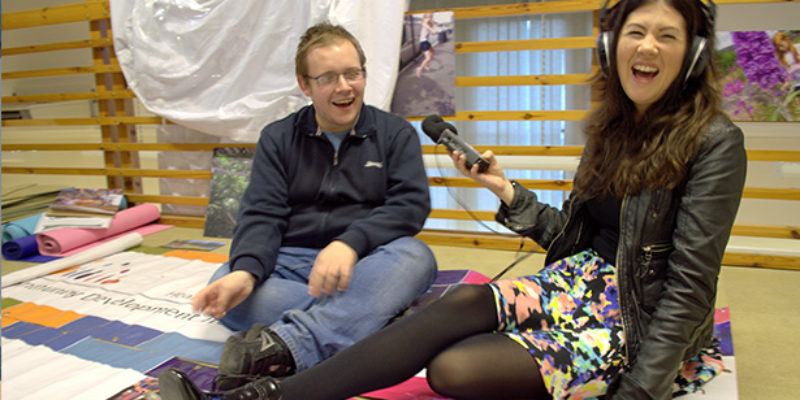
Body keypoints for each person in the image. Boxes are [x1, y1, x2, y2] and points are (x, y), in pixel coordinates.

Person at [160, 0, 747, 398]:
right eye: (636, 32)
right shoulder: (613, 128)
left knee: (444, 346)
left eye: (666, 36)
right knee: (458, 301)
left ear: (692, 55)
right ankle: (274, 390)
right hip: (579, 278)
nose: (646, 47)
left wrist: (640, 390)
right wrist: (505, 190)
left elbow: (691, 286)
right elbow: (578, 235)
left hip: (639, 310)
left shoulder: (716, 142)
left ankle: (297, 347)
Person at [189, 22, 438, 389]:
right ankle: (376, 322)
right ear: (305, 85)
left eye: (353, 73)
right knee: (224, 282)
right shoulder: (277, 137)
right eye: (328, 78)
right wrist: (245, 272)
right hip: (291, 263)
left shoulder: (395, 132)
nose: (344, 87)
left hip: (365, 263)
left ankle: (287, 345)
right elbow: (261, 213)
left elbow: (410, 205)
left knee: (416, 257)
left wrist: (349, 243)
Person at [416, 13, 438, 78]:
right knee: (428, 57)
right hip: (423, 41)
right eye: (429, 14)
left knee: (433, 51)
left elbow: (430, 30)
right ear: (426, 15)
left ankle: (427, 64)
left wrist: (433, 31)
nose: (431, 15)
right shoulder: (425, 20)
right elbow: (425, 24)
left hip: (426, 41)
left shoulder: (430, 22)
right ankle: (420, 68)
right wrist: (432, 30)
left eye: (431, 14)